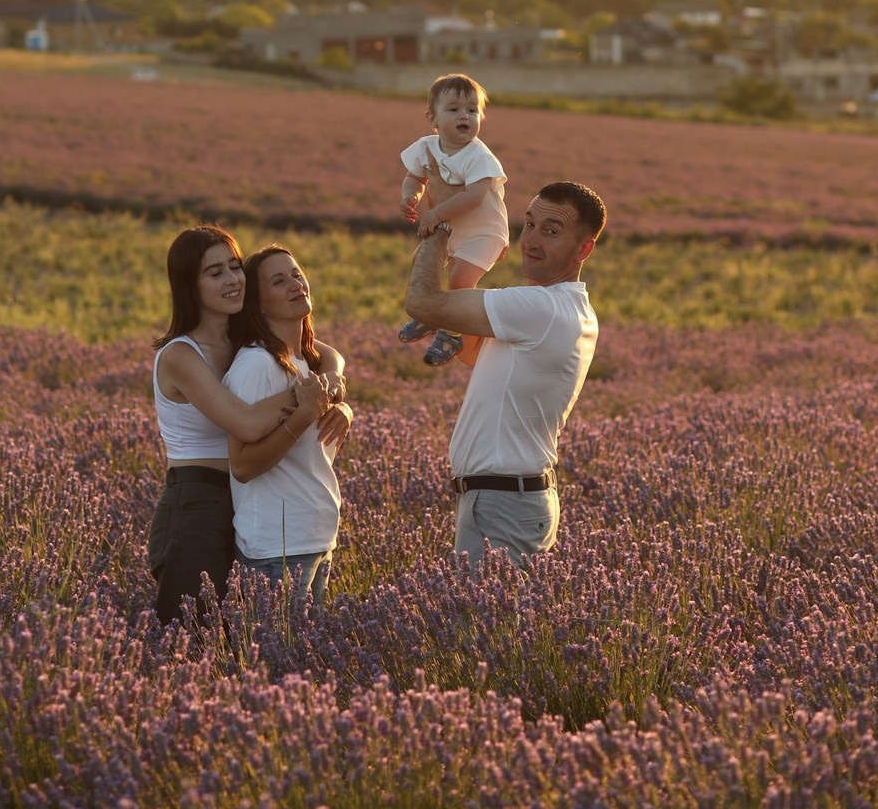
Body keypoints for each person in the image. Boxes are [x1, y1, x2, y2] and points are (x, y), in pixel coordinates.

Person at [403, 180, 606, 568]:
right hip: (506, 499)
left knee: (482, 626)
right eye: (529, 224)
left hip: (503, 504)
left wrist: (441, 223)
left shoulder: (540, 308)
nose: (530, 239)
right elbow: (474, 354)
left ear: (584, 249)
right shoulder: (567, 308)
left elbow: (420, 302)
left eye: (551, 231)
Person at [149, 224, 310, 625]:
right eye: (214, 272)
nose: (233, 280)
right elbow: (248, 424)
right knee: (192, 639)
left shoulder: (241, 338)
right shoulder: (181, 356)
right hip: (195, 506)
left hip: (247, 502)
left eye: (235, 267)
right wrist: (311, 396)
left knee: (241, 640)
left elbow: (321, 350)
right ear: (189, 285)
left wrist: (337, 396)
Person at [223, 246, 353, 604]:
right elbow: (243, 466)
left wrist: (343, 408)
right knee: (273, 658)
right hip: (278, 549)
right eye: (279, 281)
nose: (296, 284)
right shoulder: (256, 365)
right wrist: (302, 416)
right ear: (259, 303)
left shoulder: (306, 364)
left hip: (314, 541)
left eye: (296, 274)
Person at [397, 74, 510, 366]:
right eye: (454, 109)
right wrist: (411, 197)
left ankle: (452, 333)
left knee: (460, 280)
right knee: (422, 260)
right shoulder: (426, 147)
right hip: (452, 230)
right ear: (432, 118)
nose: (465, 116)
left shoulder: (478, 156)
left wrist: (435, 214)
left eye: (472, 110)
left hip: (484, 233)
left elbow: (474, 196)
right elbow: (414, 177)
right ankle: (430, 315)